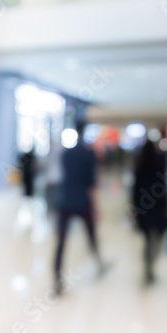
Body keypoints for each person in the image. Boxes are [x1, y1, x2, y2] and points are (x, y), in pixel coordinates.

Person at [54, 123, 107, 295]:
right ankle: (99, 263)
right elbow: (91, 182)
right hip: (83, 201)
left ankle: (57, 278)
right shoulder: (88, 154)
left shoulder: (66, 154)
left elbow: (62, 177)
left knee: (61, 241)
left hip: (65, 201)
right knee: (91, 235)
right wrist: (96, 206)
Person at [132, 140, 167, 284]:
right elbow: (163, 189)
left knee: (148, 240)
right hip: (158, 209)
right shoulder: (158, 166)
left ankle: (148, 266)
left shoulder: (139, 167)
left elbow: (135, 191)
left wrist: (134, 210)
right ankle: (150, 265)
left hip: (143, 209)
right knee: (158, 239)